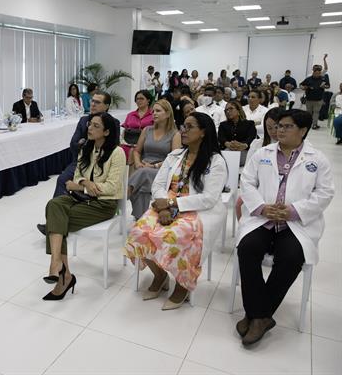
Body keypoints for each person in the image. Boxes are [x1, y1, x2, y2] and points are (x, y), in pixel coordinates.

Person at [235, 109, 334, 345]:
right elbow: (246, 182)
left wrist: (293, 210)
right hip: (263, 218)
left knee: (290, 257)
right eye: (279, 125)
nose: (280, 130)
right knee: (247, 248)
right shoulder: (262, 154)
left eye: (287, 126)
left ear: (302, 131)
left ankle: (256, 315)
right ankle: (262, 316)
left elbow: (325, 193)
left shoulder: (317, 159)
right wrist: (261, 208)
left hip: (297, 223)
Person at [125, 112, 227, 310]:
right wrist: (163, 204)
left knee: (176, 235)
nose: (184, 131)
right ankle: (160, 276)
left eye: (190, 127)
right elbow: (158, 184)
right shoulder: (175, 156)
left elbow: (209, 198)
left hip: (196, 209)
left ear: (203, 132)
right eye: (183, 126)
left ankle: (182, 284)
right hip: (165, 204)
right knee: (139, 232)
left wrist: (173, 205)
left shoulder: (216, 162)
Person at [42, 112, 126, 300]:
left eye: (96, 126)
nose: (89, 128)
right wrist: (86, 184)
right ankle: (58, 265)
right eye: (90, 124)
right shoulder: (86, 148)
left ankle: (62, 273)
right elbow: (78, 175)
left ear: (106, 131)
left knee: (56, 221)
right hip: (81, 197)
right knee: (53, 205)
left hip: (104, 205)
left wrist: (82, 185)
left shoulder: (117, 153)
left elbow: (111, 187)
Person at [36, 91, 118, 236]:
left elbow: (112, 148)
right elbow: (73, 144)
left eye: (97, 102)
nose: (92, 104)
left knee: (91, 180)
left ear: (106, 106)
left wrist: (85, 143)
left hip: (101, 163)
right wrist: (85, 145)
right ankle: (53, 221)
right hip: (81, 161)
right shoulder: (83, 121)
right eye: (92, 101)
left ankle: (59, 222)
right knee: (62, 179)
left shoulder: (113, 123)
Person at [128, 99, 181, 219]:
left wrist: (154, 166)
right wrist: (137, 163)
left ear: (167, 114)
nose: (154, 114)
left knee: (143, 173)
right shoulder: (147, 130)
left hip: (163, 170)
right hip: (144, 168)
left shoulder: (175, 134)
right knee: (142, 186)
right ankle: (140, 218)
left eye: (158, 111)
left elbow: (174, 159)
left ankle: (124, 194)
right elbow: (137, 151)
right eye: (153, 111)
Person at [218, 100, 257, 165]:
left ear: (239, 111)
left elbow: (251, 137)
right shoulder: (223, 125)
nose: (228, 112)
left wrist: (244, 145)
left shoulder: (249, 124)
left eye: (231, 109)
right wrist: (227, 143)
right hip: (228, 149)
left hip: (245, 150)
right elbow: (221, 137)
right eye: (226, 110)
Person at [121, 90, 154, 161]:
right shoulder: (130, 115)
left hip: (146, 144)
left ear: (148, 100)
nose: (139, 101)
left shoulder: (153, 115)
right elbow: (124, 130)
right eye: (137, 99)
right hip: (129, 143)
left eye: (141, 99)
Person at [300, 64, 330, 129]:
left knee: (316, 112)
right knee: (309, 113)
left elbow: (328, 86)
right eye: (316, 73)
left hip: (319, 100)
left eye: (319, 73)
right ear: (313, 72)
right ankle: (308, 124)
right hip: (309, 99)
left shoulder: (323, 79)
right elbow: (301, 85)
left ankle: (314, 124)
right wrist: (303, 87)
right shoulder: (308, 79)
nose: (317, 75)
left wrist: (324, 86)